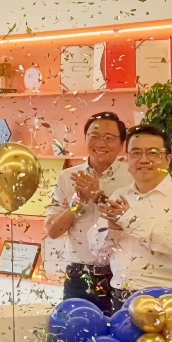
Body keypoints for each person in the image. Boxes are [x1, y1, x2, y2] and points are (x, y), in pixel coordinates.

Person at [89, 124, 172, 301]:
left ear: (168, 159)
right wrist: (112, 230)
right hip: (121, 296)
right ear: (127, 159)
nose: (144, 159)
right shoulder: (119, 195)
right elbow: (98, 252)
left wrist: (129, 220)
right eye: (136, 153)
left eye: (153, 153)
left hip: (170, 297)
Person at [45, 112, 132, 314]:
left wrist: (97, 196)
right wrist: (78, 204)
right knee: (76, 330)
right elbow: (53, 231)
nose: (101, 143)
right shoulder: (67, 177)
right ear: (85, 139)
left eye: (109, 138)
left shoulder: (132, 177)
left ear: (122, 144)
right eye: (94, 136)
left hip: (122, 273)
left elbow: (136, 223)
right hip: (79, 275)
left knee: (120, 331)